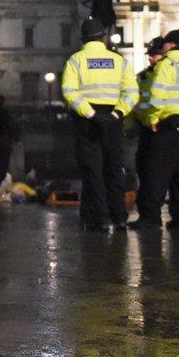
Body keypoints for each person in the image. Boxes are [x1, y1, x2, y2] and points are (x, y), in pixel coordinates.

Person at [61, 18, 138, 231]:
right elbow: (132, 93)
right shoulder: (120, 61)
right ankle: (120, 217)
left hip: (88, 121)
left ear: (84, 40)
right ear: (103, 38)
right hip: (114, 119)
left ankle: (100, 218)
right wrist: (117, 113)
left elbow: (70, 92)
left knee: (92, 170)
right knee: (114, 168)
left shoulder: (76, 60)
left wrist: (91, 113)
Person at [132, 29, 179, 230]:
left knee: (156, 172)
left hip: (168, 125)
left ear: (169, 45)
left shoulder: (167, 64)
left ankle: (150, 218)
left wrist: (152, 119)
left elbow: (157, 96)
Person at [130, 37, 165, 197]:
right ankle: (147, 197)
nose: (150, 58)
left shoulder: (168, 74)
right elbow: (133, 102)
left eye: (154, 54)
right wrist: (128, 126)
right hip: (144, 127)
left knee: (158, 167)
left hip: (163, 127)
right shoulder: (141, 77)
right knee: (142, 164)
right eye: (150, 55)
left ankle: (156, 197)